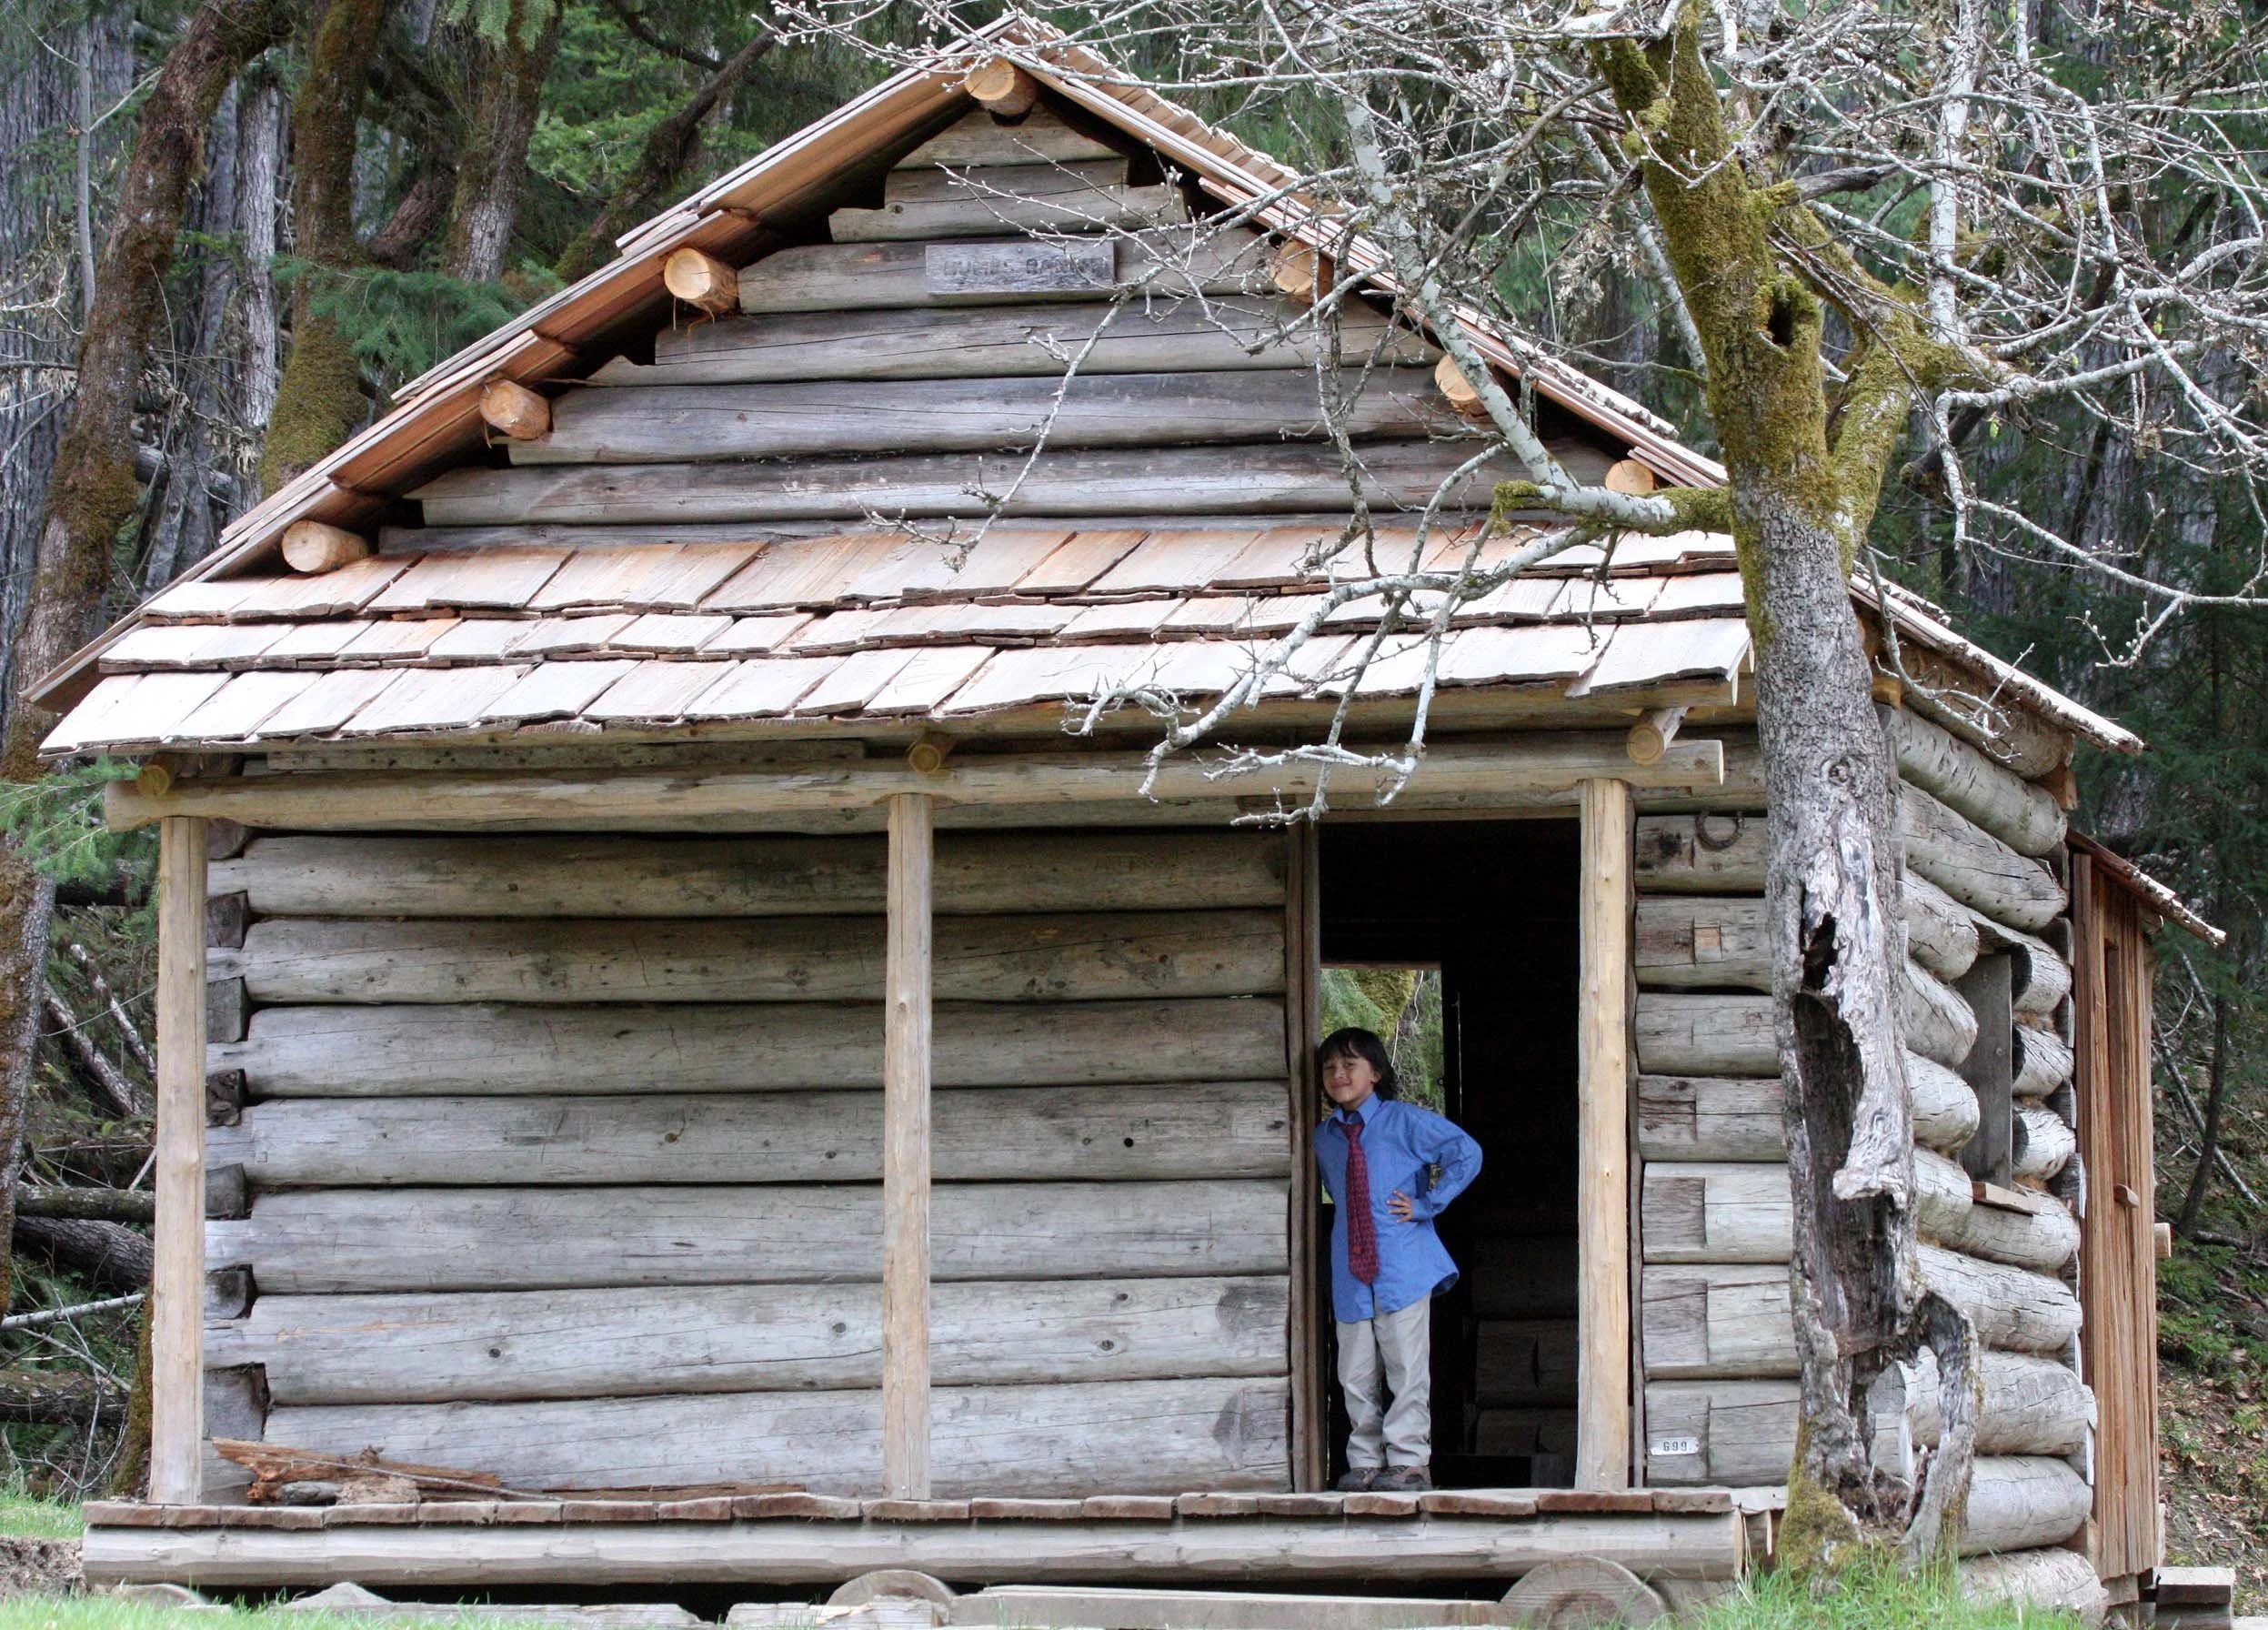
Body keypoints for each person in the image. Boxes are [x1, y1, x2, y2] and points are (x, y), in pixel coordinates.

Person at [1313, 1026, 1482, 1492]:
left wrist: (1428, 1204)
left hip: (1403, 1266)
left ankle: (1408, 1462)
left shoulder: (1404, 1121)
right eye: (1329, 1067)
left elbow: (1465, 1152)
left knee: (1406, 1369)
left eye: (1350, 1065)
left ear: (1376, 1072)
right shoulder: (1323, 1138)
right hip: (1350, 1270)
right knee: (1354, 1372)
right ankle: (1364, 1462)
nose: (1338, 1074)